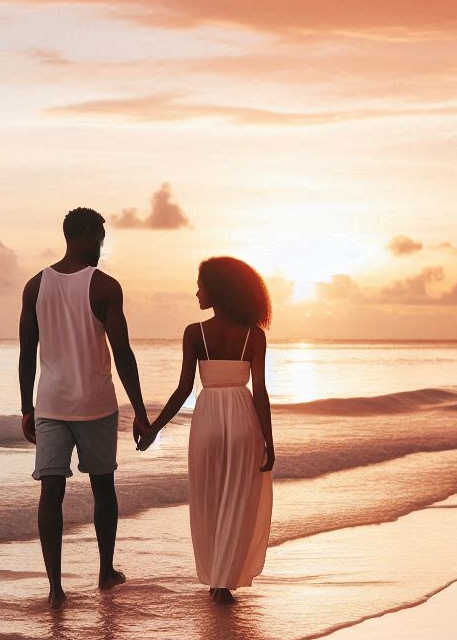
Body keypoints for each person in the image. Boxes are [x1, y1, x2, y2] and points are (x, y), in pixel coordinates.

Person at [19, 207, 150, 608]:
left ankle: (56, 588)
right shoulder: (106, 287)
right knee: (103, 487)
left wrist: (27, 407)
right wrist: (141, 412)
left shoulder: (35, 285)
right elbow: (123, 353)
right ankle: (105, 572)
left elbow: (28, 352)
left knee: (51, 491)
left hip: (51, 404)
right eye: (100, 238)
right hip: (94, 403)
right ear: (86, 235)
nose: (102, 246)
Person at [137, 256, 274, 604]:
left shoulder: (194, 333)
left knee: (209, 498)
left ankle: (216, 578)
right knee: (238, 500)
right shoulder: (253, 336)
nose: (196, 292)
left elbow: (184, 390)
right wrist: (269, 440)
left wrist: (155, 428)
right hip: (245, 419)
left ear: (217, 290)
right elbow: (260, 391)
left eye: (200, 285)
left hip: (208, 418)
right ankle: (224, 582)